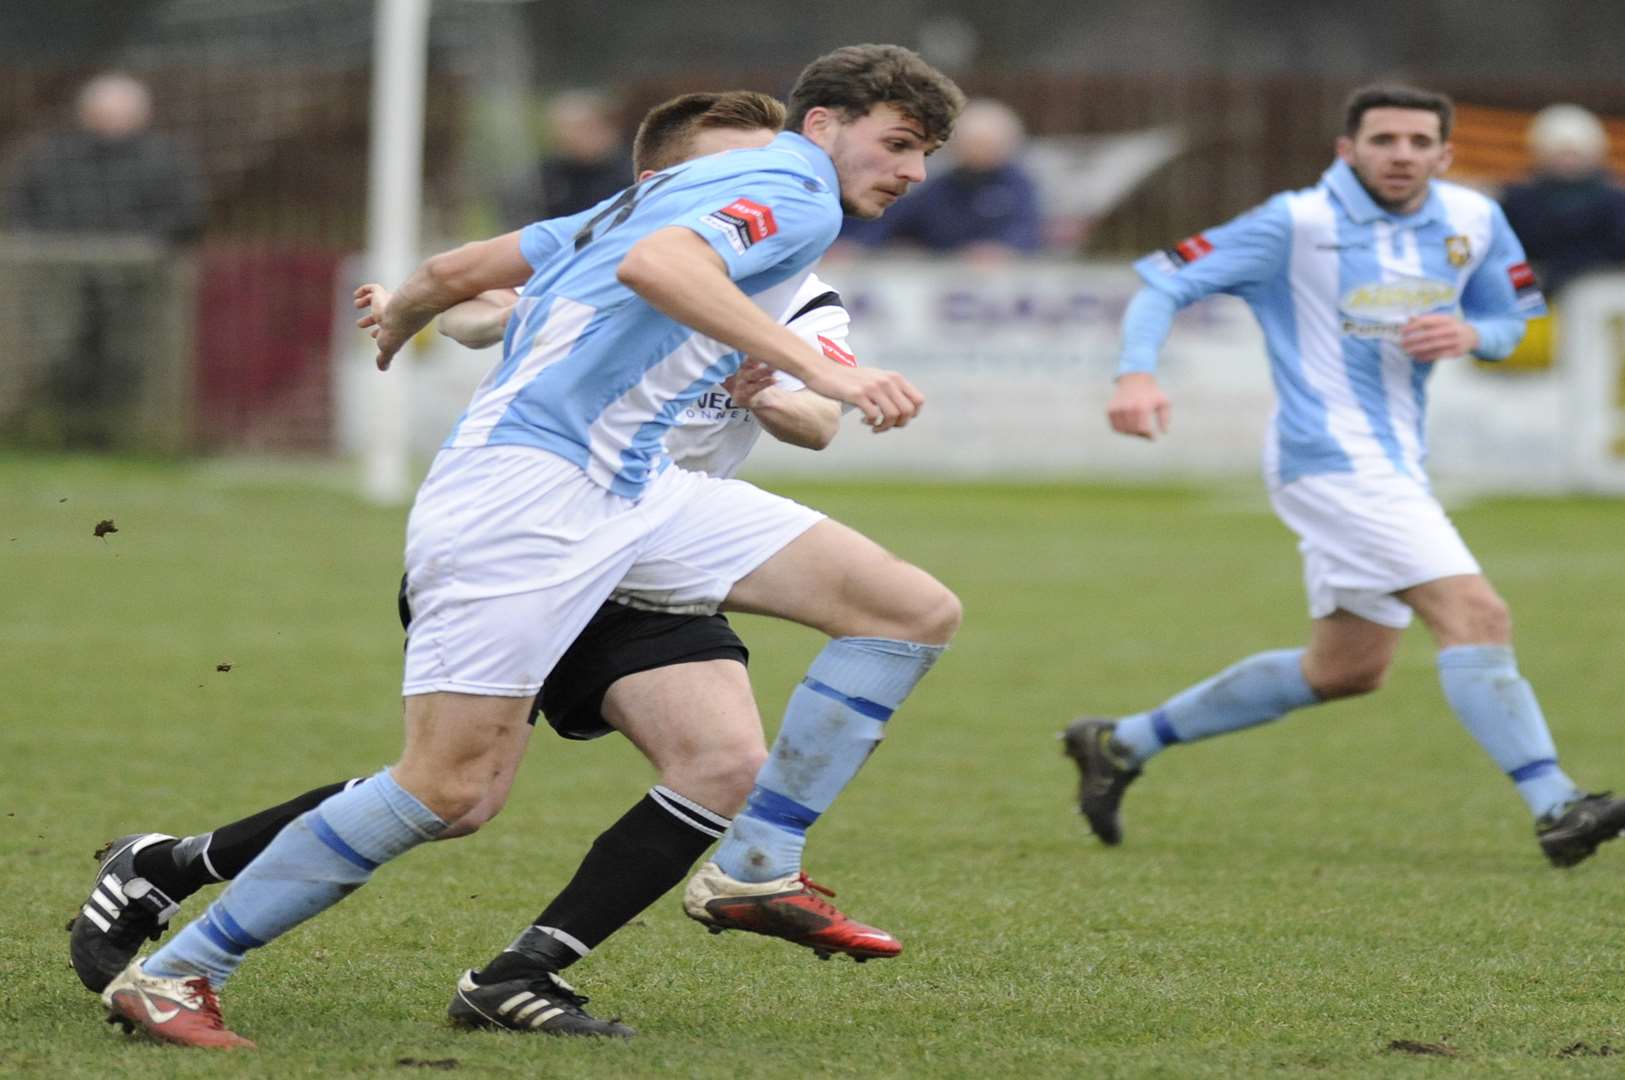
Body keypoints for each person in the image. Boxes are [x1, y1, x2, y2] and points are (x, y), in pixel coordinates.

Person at [95, 45, 966, 1050]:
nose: (912, 171)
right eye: (899, 143)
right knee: (450, 788)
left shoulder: (663, 189)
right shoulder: (794, 192)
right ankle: (175, 973)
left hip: (634, 487)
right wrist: (830, 374)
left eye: (925, 154)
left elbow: (457, 271)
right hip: (532, 500)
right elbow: (660, 269)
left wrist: (410, 312)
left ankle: (760, 862)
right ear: (822, 125)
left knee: (908, 608)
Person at [1065, 83, 1625, 870]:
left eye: (1420, 143)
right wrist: (1134, 375)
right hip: (1328, 457)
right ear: (1348, 150)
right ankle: (1558, 805)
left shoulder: (1473, 219)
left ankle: (1119, 743)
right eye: (1384, 140)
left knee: (1347, 668)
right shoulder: (1297, 222)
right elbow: (1165, 282)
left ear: (1446, 155)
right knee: (1476, 614)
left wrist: (1469, 330)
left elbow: (1513, 320)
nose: (1402, 155)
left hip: (1393, 458)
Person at [3, 72, 205, 448]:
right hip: (59, 278)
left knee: (124, 359)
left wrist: (145, 246)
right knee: (61, 354)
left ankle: (118, 436)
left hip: (136, 282)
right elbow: (21, 209)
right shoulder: (53, 157)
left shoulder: (163, 159)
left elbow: (185, 216)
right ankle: (59, 433)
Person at [837, 98, 1041, 258]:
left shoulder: (1019, 187)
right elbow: (897, 219)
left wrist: (1004, 250)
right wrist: (860, 244)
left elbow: (1028, 229)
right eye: (970, 144)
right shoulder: (942, 186)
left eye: (985, 145)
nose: (976, 152)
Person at [1499, 104, 1625, 300]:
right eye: (1561, 154)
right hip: (1534, 290)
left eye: (1574, 154)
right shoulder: (1518, 197)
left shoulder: (1618, 200)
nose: (1568, 161)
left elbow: (1624, 249)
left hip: (1601, 288)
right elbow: (1509, 250)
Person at [527, 91, 638, 221]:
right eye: (563, 130)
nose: (570, 137)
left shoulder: (632, 174)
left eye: (582, 128)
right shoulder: (547, 179)